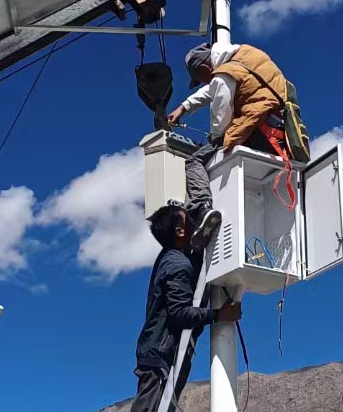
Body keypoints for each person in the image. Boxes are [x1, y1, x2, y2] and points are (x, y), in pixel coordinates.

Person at [167, 41, 297, 249]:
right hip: (278, 131)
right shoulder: (244, 56)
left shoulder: (223, 74)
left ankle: (202, 208)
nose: (202, 83)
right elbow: (214, 88)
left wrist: (218, 140)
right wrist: (184, 107)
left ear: (204, 68)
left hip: (257, 131)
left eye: (198, 78)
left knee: (195, 161)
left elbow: (221, 113)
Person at [131, 204, 242, 412]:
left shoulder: (172, 258)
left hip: (159, 355)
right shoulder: (177, 265)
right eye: (188, 219)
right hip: (160, 359)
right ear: (180, 231)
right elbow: (180, 313)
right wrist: (219, 315)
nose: (194, 222)